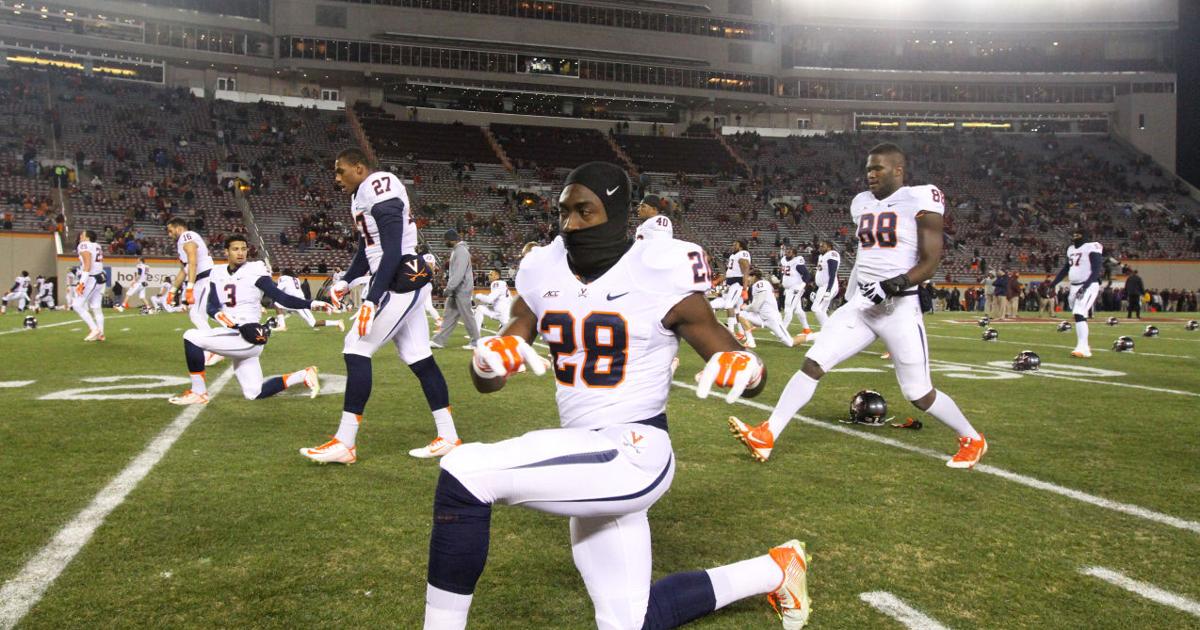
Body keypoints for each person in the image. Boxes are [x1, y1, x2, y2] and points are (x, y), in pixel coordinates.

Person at [422, 161, 811, 630]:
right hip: (584, 452)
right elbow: (492, 373)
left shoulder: (658, 271)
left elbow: (740, 361)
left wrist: (746, 370)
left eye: (585, 211)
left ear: (618, 212)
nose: (571, 224)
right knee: (630, 621)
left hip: (636, 449)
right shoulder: (542, 268)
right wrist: (486, 362)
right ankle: (776, 568)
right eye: (565, 212)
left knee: (464, 473)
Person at [728, 142, 988, 469]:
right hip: (863, 304)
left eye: (878, 168)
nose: (871, 174)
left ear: (898, 170)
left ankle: (971, 438)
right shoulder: (861, 203)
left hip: (900, 308)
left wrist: (894, 283)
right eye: (868, 169)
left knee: (919, 394)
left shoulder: (920, 197)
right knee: (813, 363)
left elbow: (931, 260)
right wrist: (852, 296)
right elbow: (867, 257)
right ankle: (767, 434)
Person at [300, 148, 460, 463]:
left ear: (359, 168)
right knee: (420, 358)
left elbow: (390, 252)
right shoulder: (360, 194)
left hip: (400, 279)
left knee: (356, 347)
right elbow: (368, 247)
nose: (336, 178)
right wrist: (347, 280)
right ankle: (449, 436)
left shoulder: (379, 186)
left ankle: (345, 443)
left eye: (340, 170)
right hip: (394, 278)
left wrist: (372, 300)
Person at [167, 236, 327, 405]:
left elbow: (281, 297)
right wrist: (218, 315)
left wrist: (312, 303)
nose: (241, 253)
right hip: (233, 332)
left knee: (191, 336)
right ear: (226, 252)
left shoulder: (255, 270)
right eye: (235, 249)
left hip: (248, 335)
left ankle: (198, 392)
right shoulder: (217, 272)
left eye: (244, 249)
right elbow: (211, 306)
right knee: (254, 392)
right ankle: (304, 374)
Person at [1049, 230, 1103, 357]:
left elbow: (1096, 270)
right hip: (1074, 286)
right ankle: (1084, 345)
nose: (1075, 239)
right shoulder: (1071, 249)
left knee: (1078, 313)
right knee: (1079, 314)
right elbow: (1066, 268)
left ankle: (1082, 348)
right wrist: (1053, 283)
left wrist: (1085, 286)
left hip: (1088, 284)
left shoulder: (1091, 247)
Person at [430, 229, 482, 350]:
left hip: (462, 289)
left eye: (446, 240)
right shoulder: (457, 251)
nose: (445, 242)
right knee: (449, 316)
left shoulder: (461, 252)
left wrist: (449, 288)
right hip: (456, 290)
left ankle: (476, 342)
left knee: (467, 316)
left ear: (452, 239)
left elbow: (459, 273)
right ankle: (438, 341)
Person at [166, 217, 215, 331]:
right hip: (201, 280)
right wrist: (172, 291)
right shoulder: (182, 242)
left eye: (170, 230)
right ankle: (211, 344)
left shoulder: (186, 236)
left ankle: (214, 343)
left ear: (179, 228)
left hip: (205, 279)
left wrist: (189, 289)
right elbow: (185, 270)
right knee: (198, 315)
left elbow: (193, 262)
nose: (169, 234)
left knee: (197, 315)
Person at [738, 268, 794, 348]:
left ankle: (812, 336)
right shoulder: (761, 284)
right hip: (761, 317)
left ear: (754, 276)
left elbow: (755, 306)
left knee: (790, 343)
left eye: (749, 277)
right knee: (741, 315)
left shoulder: (760, 284)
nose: (747, 279)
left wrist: (745, 307)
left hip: (772, 318)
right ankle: (750, 341)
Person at [273, 269, 344, 332]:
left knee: (313, 323)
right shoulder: (295, 279)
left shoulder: (283, 278)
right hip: (295, 300)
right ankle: (281, 325)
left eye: (281, 273)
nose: (280, 274)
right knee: (278, 304)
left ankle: (337, 322)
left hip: (299, 303)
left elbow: (277, 290)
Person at [712, 239, 751, 339]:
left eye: (736, 245)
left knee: (729, 305)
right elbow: (729, 272)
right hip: (730, 285)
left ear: (741, 246)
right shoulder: (733, 255)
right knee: (735, 309)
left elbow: (746, 269)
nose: (733, 246)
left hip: (737, 284)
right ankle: (742, 333)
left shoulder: (743, 253)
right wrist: (718, 282)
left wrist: (745, 287)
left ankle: (731, 332)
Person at [73, 231, 108, 341]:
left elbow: (87, 265)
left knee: (77, 305)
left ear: (87, 237)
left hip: (92, 279)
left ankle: (94, 329)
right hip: (100, 277)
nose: (80, 236)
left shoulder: (84, 245)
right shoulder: (97, 245)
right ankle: (101, 334)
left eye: (82, 235)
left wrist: (81, 283)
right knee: (96, 307)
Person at [779, 245, 812, 334]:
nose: (786, 253)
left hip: (795, 288)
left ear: (794, 254)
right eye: (786, 251)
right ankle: (807, 329)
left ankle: (782, 330)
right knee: (798, 310)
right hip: (789, 288)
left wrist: (802, 286)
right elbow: (785, 274)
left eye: (789, 252)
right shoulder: (783, 260)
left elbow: (807, 275)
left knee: (788, 308)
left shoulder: (797, 261)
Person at [810, 240, 839, 327]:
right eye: (820, 246)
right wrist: (816, 289)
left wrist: (829, 289)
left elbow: (832, 273)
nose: (820, 248)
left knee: (816, 308)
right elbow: (820, 274)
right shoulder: (821, 256)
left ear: (829, 247)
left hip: (829, 285)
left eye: (823, 246)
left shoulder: (832, 254)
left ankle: (827, 330)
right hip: (822, 287)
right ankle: (831, 329)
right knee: (821, 310)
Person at [419, 244, 444, 328]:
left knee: (427, 306)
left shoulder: (427, 256)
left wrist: (430, 274)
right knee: (425, 306)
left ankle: (439, 321)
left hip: (423, 283)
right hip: (423, 282)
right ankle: (438, 320)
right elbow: (434, 267)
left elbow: (429, 265)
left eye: (420, 249)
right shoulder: (427, 256)